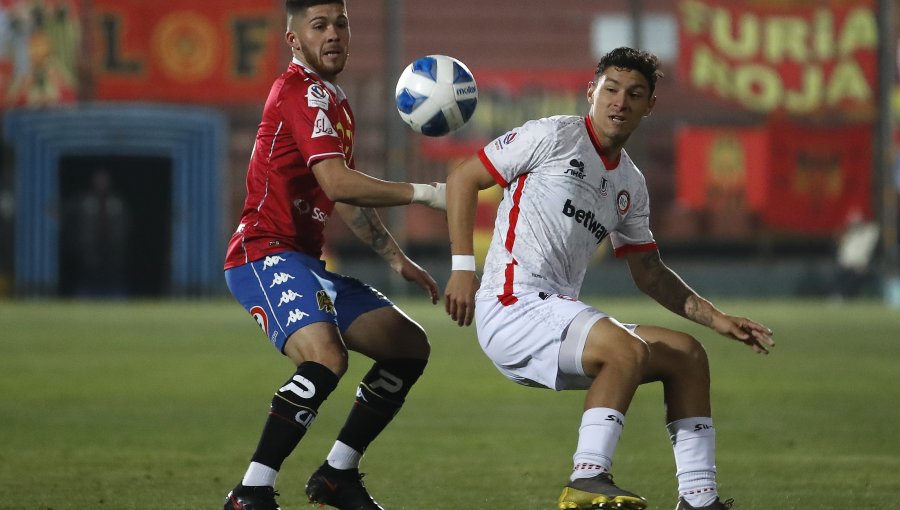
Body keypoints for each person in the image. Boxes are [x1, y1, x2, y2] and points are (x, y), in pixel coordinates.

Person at [443, 47, 775, 510]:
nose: (620, 101)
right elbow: (462, 179)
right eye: (611, 89)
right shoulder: (553, 135)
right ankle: (587, 479)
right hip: (511, 304)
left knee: (686, 356)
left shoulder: (630, 185)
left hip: (554, 315)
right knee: (626, 348)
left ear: (648, 106)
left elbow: (650, 273)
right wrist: (463, 271)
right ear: (591, 92)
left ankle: (700, 499)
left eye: (634, 94)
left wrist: (717, 319)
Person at [222, 1, 446, 509]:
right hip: (262, 254)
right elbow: (337, 180)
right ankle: (251, 491)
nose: (334, 34)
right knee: (326, 357)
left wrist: (394, 257)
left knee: (408, 345)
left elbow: (342, 196)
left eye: (341, 23)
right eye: (319, 25)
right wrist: (429, 192)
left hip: (304, 262)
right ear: (293, 39)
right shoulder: (300, 92)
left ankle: (336, 476)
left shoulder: (334, 102)